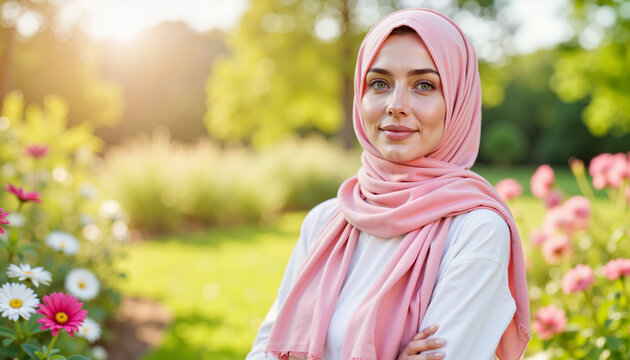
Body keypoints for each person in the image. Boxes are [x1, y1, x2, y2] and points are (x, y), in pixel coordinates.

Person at [246, 8, 530, 360]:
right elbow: (266, 351)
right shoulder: (325, 220)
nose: (396, 105)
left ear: (458, 101)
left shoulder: (477, 231)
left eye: (424, 85)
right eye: (379, 83)